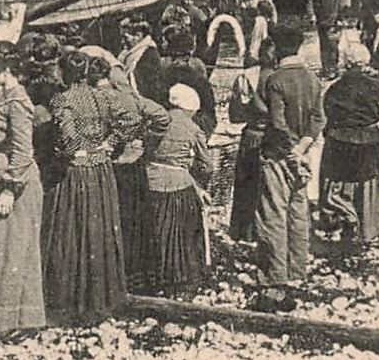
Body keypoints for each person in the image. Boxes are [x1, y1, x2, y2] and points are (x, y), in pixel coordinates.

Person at [45, 49, 128, 326]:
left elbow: (67, 140)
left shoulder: (62, 100)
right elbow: (126, 124)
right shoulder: (100, 95)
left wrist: (70, 151)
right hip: (101, 170)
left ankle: (69, 300)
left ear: (64, 73)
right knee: (99, 232)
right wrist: (106, 146)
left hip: (76, 173)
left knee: (71, 232)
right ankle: (101, 297)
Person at [0, 45, 46, 332]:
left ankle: (8, 321)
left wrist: (9, 188)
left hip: (15, 185)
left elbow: (22, 150)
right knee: (8, 250)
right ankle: (15, 319)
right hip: (5, 180)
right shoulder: (6, 96)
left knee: (8, 251)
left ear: (5, 70)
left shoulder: (17, 102)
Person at [254, 23, 323, 307]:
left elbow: (278, 124)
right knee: (298, 211)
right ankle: (298, 270)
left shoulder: (276, 80)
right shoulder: (312, 78)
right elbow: (318, 119)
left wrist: (290, 151)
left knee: (272, 214)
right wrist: (303, 148)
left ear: (278, 48)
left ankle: (275, 275)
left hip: (279, 155)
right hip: (304, 153)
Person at [318, 42, 379, 248]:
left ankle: (342, 221)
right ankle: (367, 228)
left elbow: (327, 112)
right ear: (365, 61)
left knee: (338, 181)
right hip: (367, 139)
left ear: (346, 62)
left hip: (339, 141)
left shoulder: (334, 88)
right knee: (367, 180)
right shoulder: (374, 85)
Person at [94, 56, 164, 293]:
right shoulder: (132, 98)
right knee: (139, 221)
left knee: (119, 220)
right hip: (135, 166)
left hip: (115, 167)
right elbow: (162, 116)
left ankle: (120, 276)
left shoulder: (99, 99)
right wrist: (146, 142)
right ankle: (144, 277)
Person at [143, 84, 213, 293]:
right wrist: (199, 182)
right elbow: (207, 165)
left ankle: (152, 274)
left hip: (151, 180)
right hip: (178, 183)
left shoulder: (157, 119)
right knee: (182, 232)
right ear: (190, 108)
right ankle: (179, 275)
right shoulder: (192, 129)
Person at [227, 35, 275, 242]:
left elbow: (235, 116)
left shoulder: (247, 77)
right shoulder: (283, 76)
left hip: (252, 135)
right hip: (274, 138)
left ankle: (245, 232)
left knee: (247, 186)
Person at [161, 28, 216, 133]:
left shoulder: (165, 74)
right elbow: (209, 106)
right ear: (190, 54)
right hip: (199, 125)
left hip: (171, 125)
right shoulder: (198, 73)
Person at [310, 0, 350, 78]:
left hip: (334, 18)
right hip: (320, 18)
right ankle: (326, 68)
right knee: (323, 44)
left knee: (332, 44)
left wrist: (341, 18)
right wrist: (312, 14)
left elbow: (345, 0)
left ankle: (333, 69)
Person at [118, 17, 169, 104]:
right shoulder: (129, 54)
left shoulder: (148, 55)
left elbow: (153, 90)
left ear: (138, 36)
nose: (122, 42)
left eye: (125, 37)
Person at [238, 0, 278, 65]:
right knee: (259, 21)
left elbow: (273, 13)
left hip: (265, 25)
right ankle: (254, 54)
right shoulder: (244, 1)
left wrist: (273, 23)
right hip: (250, 25)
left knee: (261, 21)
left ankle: (257, 54)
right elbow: (242, 16)